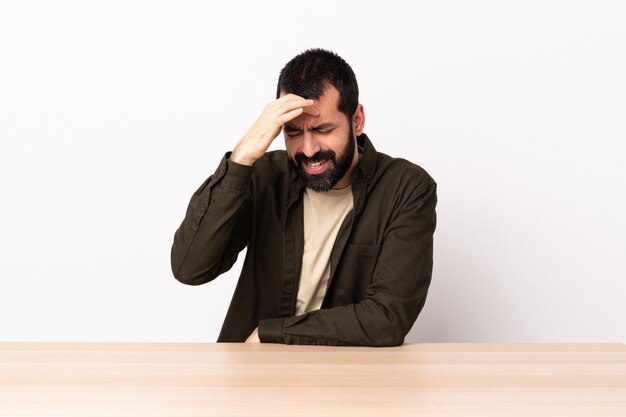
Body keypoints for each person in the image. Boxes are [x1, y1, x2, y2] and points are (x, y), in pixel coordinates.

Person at [171, 49, 437, 346]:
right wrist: (241, 157)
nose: (308, 150)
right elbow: (189, 268)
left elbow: (387, 318)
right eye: (293, 132)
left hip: (349, 380)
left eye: (323, 129)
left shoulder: (406, 189)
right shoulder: (265, 176)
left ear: (357, 119)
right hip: (253, 377)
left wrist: (272, 333)